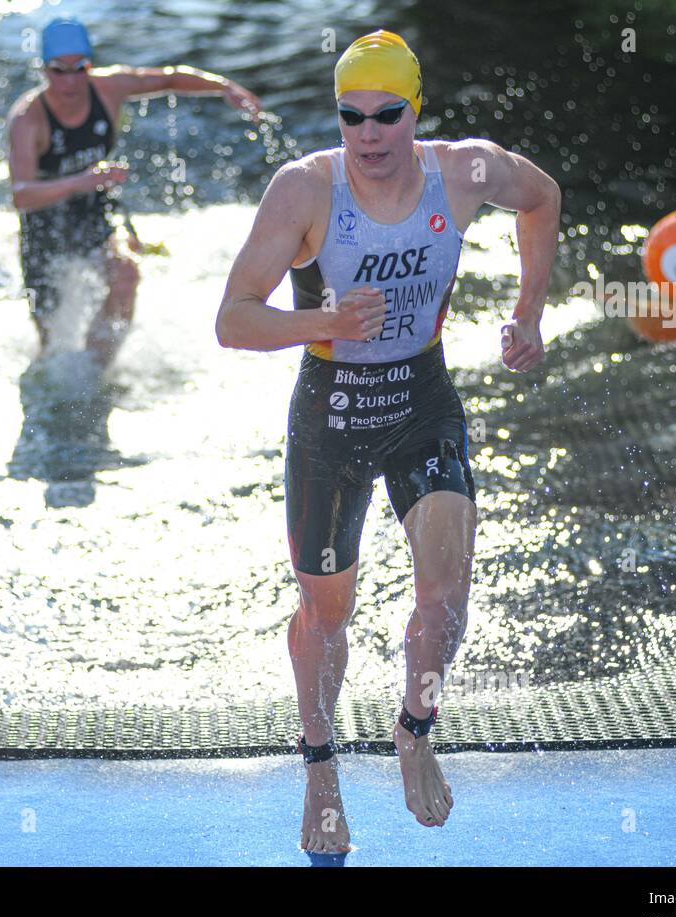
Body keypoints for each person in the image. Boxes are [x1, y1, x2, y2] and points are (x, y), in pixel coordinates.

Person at [215, 30, 559, 861]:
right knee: (327, 613)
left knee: (444, 600)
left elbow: (543, 196)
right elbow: (233, 318)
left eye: (386, 116)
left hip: (421, 402)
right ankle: (322, 768)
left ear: (417, 112)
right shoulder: (303, 191)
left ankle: (414, 729)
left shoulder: (467, 171)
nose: (368, 135)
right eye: (350, 117)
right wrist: (323, 322)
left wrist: (530, 310)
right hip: (330, 420)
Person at [7, 17, 262, 368]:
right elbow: (21, 195)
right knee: (48, 338)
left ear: (89, 65)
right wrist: (82, 180)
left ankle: (95, 369)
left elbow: (169, 77)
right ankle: (57, 375)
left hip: (94, 212)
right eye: (59, 70)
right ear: (44, 70)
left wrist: (224, 87)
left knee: (126, 275)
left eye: (78, 68)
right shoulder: (27, 118)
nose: (70, 80)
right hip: (45, 227)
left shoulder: (108, 88)